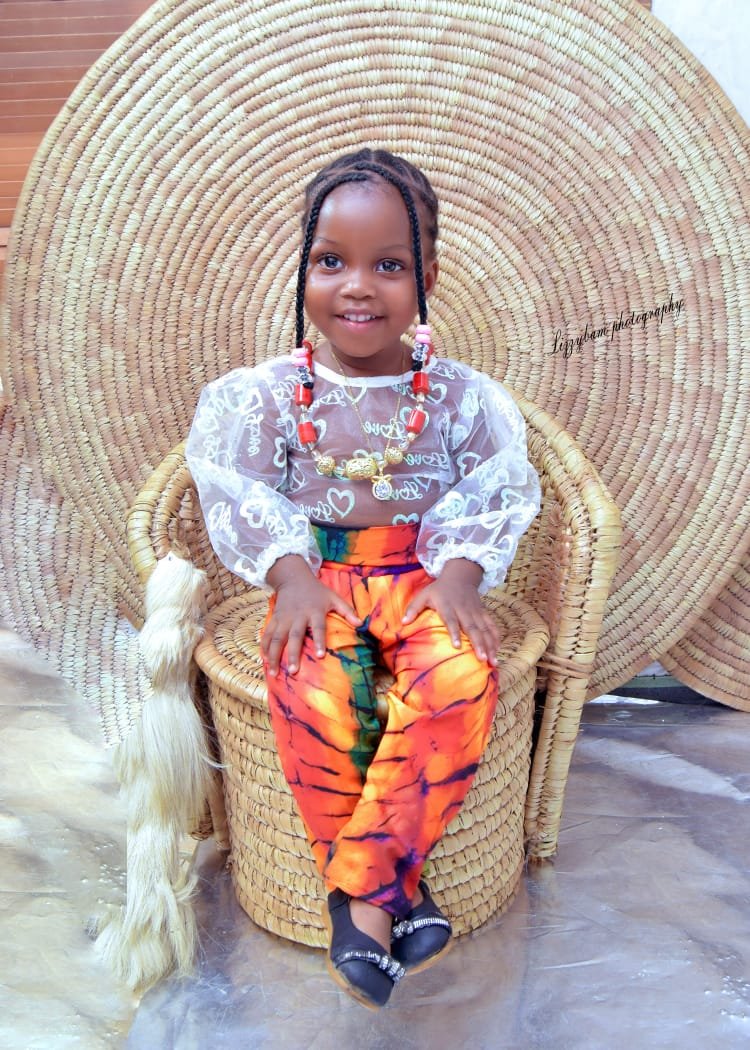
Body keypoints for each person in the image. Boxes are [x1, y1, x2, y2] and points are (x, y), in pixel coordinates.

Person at [186, 148, 541, 1009]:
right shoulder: (268, 396)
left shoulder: (457, 397)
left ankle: (360, 901)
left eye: (389, 266)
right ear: (303, 271)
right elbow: (238, 487)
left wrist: (461, 573)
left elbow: (496, 488)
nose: (357, 287)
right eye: (330, 261)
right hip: (320, 577)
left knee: (460, 677)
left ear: (427, 279)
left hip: (424, 578)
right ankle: (396, 898)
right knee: (308, 682)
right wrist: (289, 575)